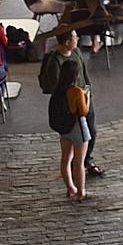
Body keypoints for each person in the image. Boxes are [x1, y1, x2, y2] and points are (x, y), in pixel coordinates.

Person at [40, 30, 104, 178]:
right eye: (75, 37)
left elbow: (84, 73)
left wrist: (87, 89)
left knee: (92, 131)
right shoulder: (55, 62)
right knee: (74, 136)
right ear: (67, 42)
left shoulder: (76, 52)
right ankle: (78, 165)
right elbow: (56, 88)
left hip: (85, 97)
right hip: (69, 106)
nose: (78, 39)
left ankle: (85, 160)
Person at [48, 56, 92, 200]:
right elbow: (83, 111)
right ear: (76, 75)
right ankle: (81, 192)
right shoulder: (76, 91)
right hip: (78, 129)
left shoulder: (57, 91)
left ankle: (70, 188)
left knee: (65, 159)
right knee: (79, 163)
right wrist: (87, 97)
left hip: (64, 130)